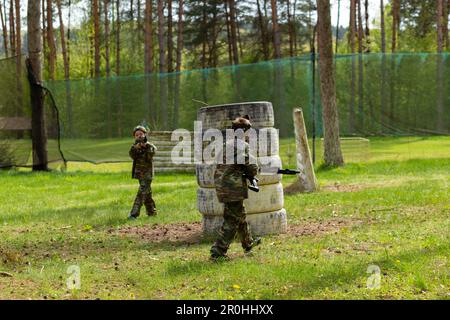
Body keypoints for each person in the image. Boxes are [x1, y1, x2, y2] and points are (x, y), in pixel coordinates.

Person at [210, 116, 262, 260]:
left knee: (240, 215)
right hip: (232, 187)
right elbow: (252, 167)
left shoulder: (226, 145)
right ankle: (218, 251)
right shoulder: (242, 145)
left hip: (222, 185)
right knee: (232, 220)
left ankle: (248, 242)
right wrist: (254, 171)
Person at [128, 125, 157, 219]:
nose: (139, 136)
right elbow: (132, 155)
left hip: (147, 175)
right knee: (147, 194)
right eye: (137, 135)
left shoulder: (150, 146)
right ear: (134, 137)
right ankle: (152, 213)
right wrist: (137, 148)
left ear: (145, 135)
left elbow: (150, 156)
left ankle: (134, 214)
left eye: (141, 134)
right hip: (139, 175)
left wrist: (146, 147)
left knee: (141, 194)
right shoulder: (134, 147)